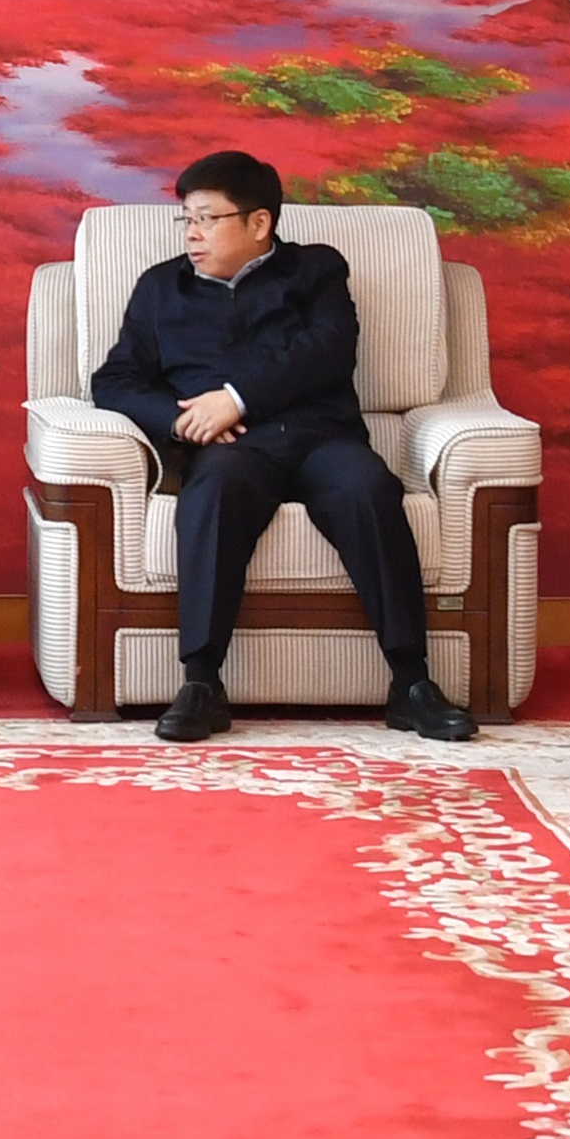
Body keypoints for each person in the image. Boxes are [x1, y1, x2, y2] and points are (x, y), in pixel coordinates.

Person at [90, 148, 474, 747]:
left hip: (322, 436)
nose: (191, 233)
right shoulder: (162, 287)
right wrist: (183, 420)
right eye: (186, 219)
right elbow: (113, 381)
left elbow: (328, 350)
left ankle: (411, 683)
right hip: (234, 450)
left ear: (259, 222)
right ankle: (201, 682)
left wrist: (235, 398)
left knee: (370, 489)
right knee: (214, 492)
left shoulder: (316, 270)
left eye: (207, 218)